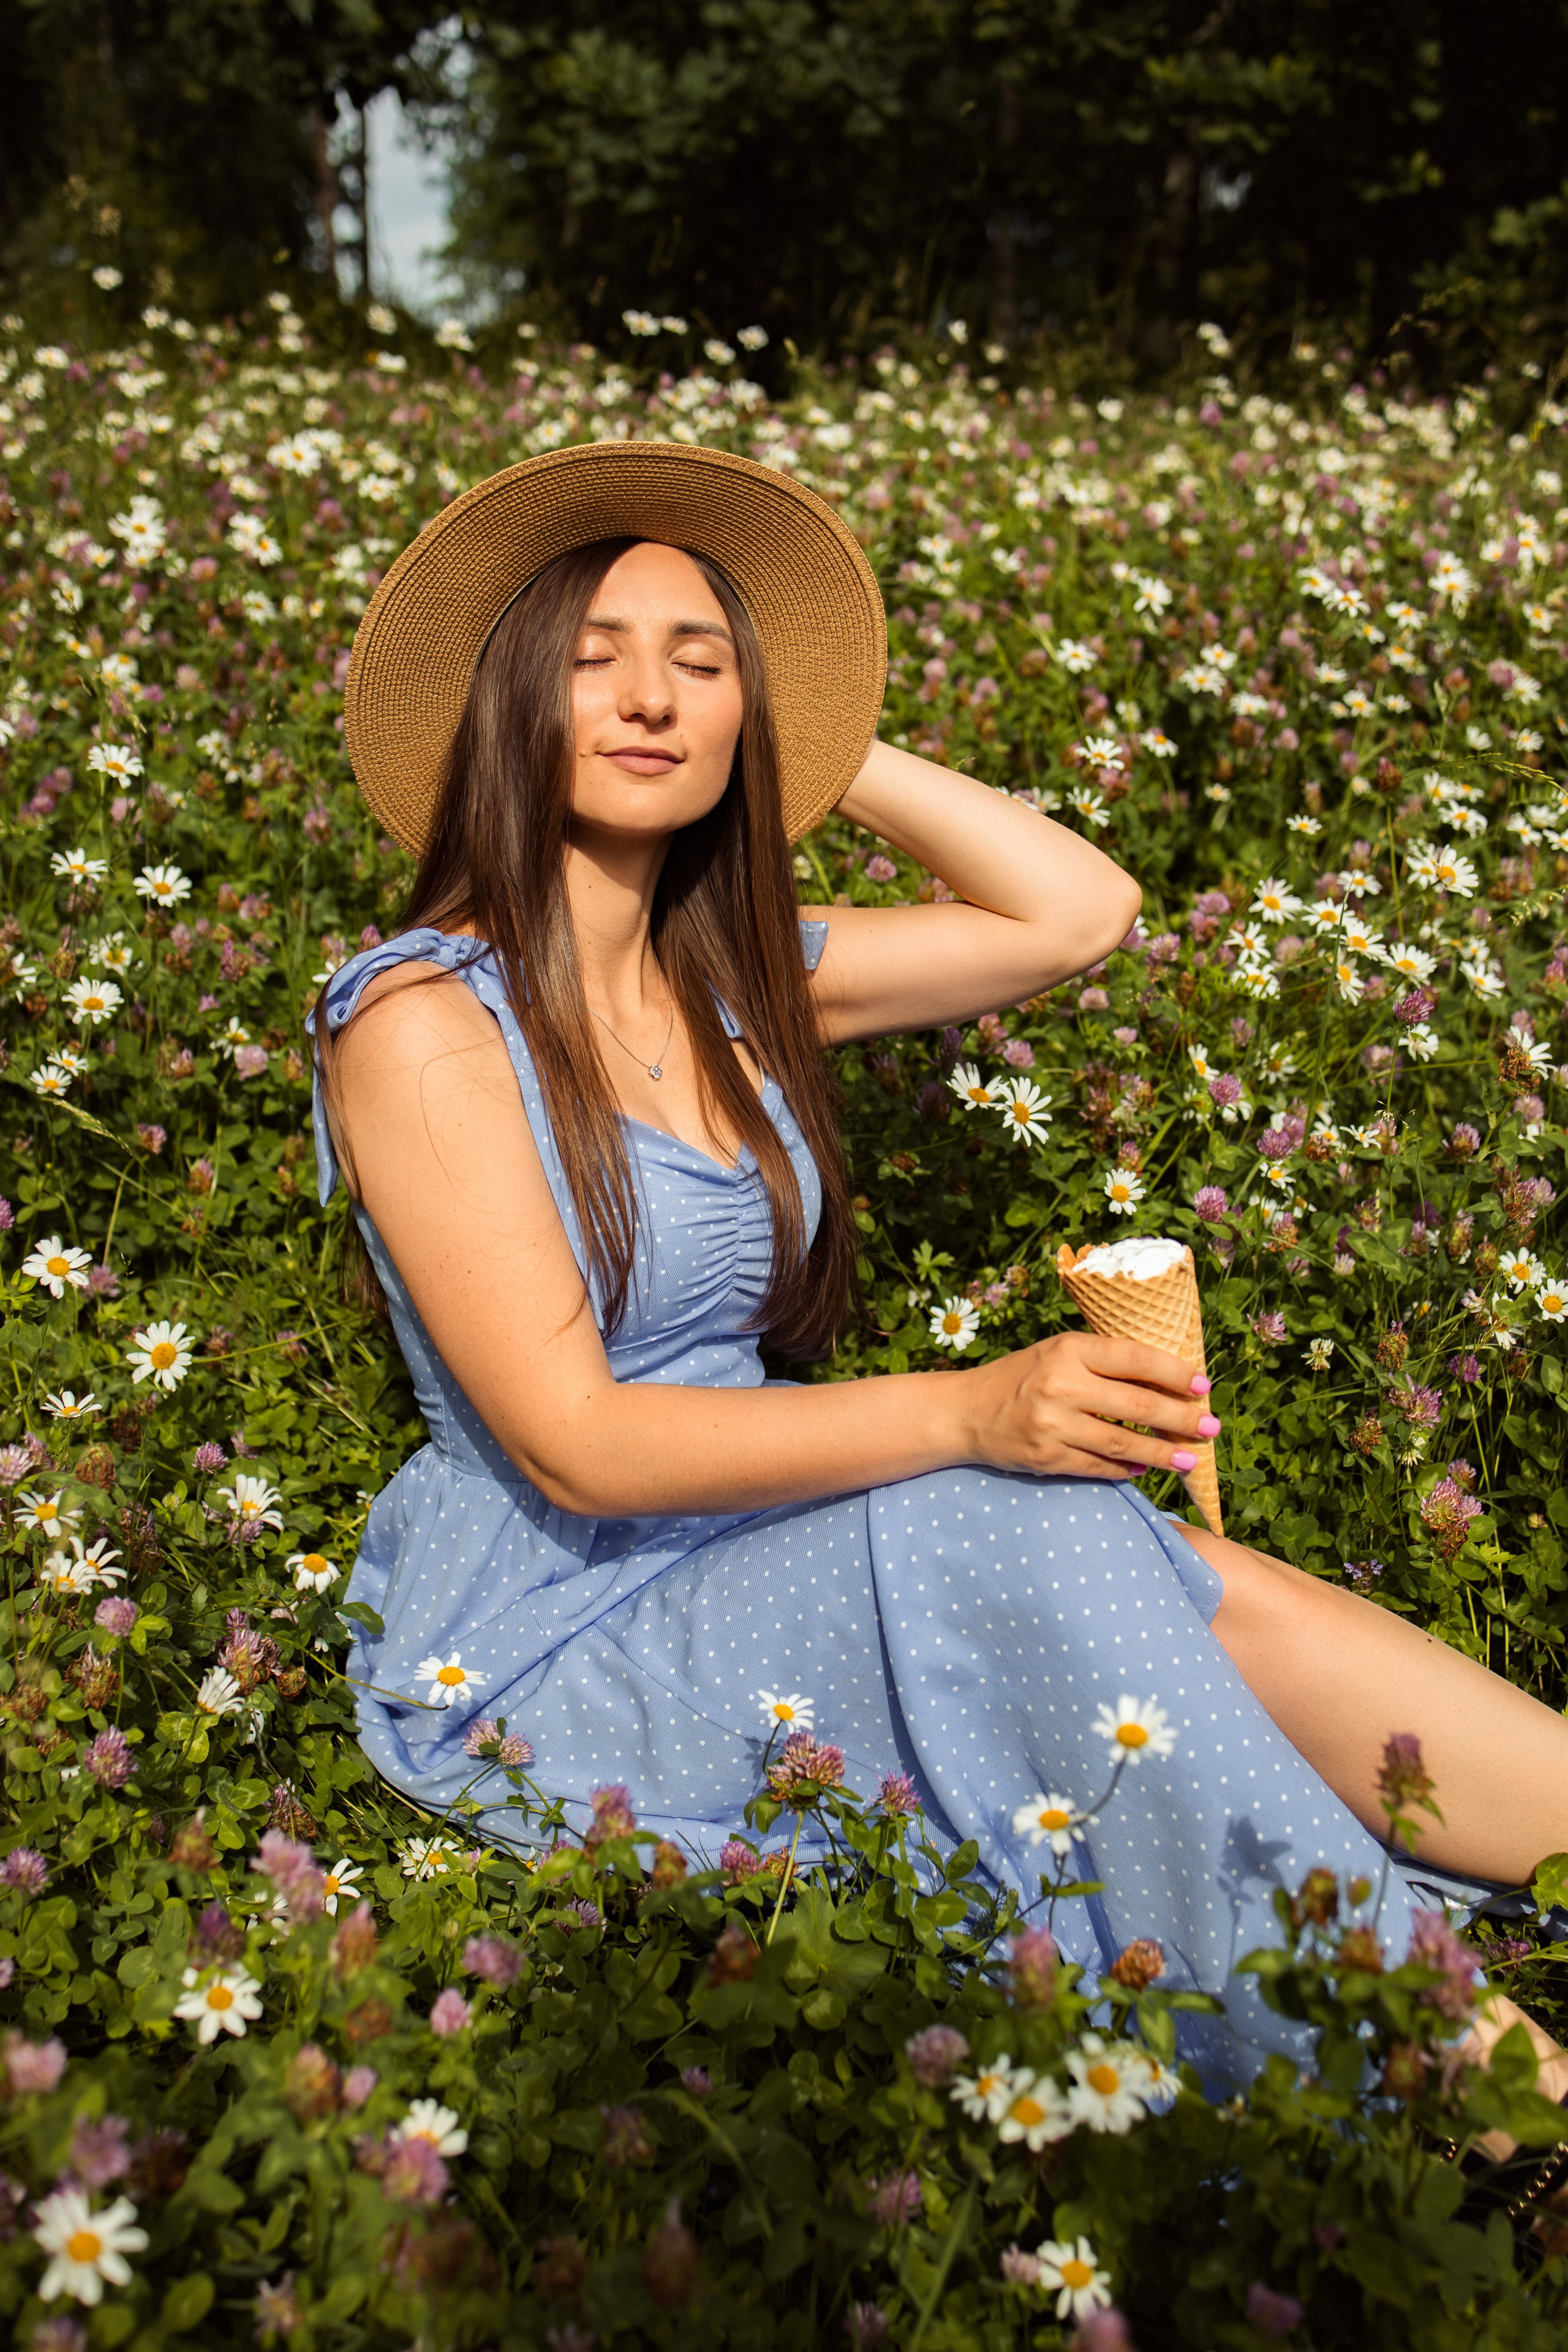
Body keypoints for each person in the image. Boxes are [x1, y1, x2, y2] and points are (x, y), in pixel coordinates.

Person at [309, 442, 1568, 2094]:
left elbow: (1076, 912)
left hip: (763, 1530)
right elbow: (578, 1441)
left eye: (701, 665)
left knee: (1179, 1581)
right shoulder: (421, 1021)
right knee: (1005, 1500)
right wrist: (977, 1410)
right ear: (509, 701)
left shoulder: (739, 976)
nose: (649, 699)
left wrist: (814, 741)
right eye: (593, 658)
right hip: (558, 1635)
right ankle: (1495, 2110)